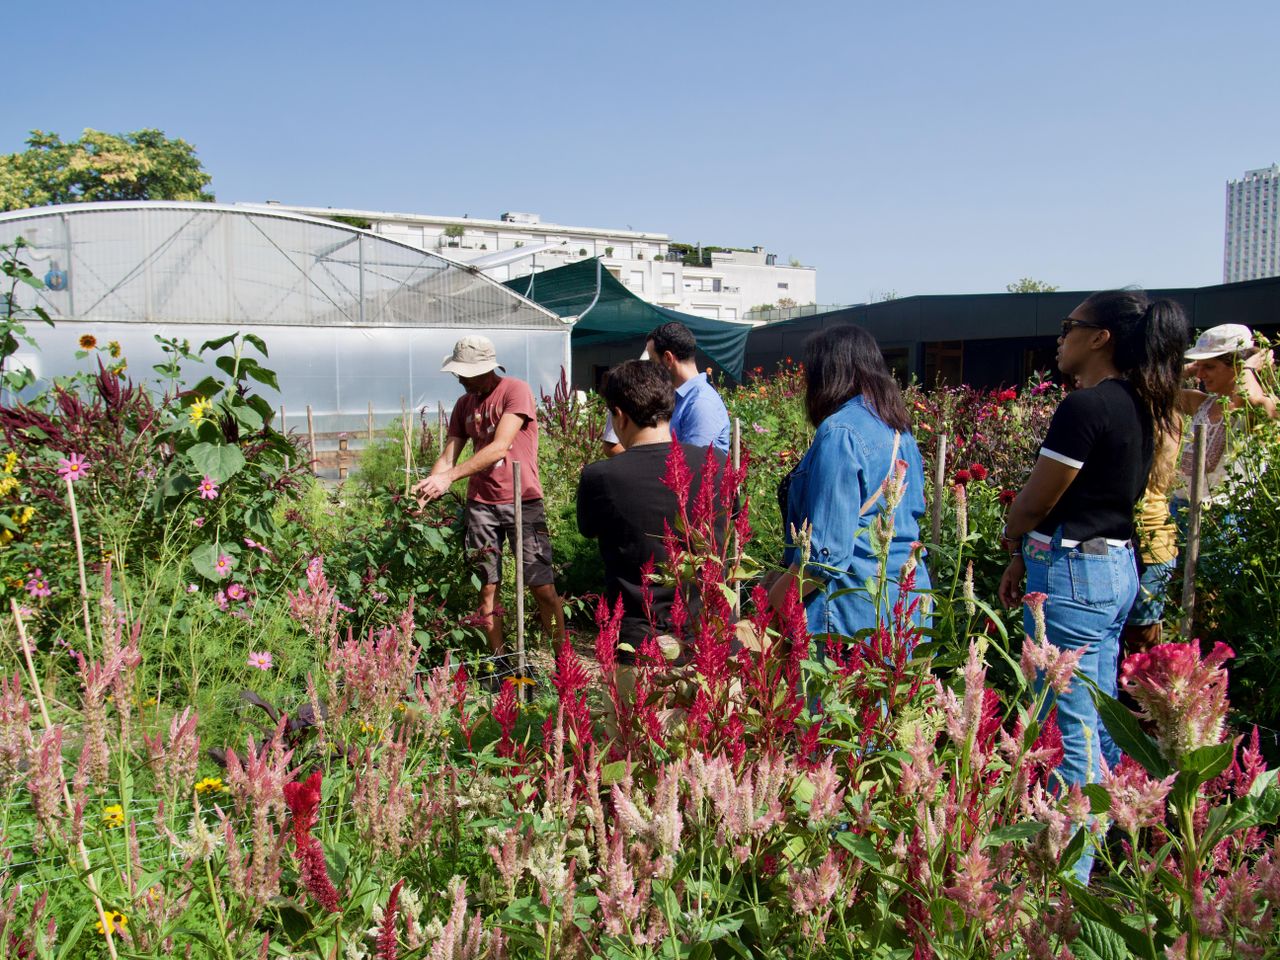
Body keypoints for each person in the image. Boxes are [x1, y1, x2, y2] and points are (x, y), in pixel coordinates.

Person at [997, 289, 1188, 882]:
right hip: (1112, 568)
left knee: (1065, 722)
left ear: (1100, 336)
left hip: (1074, 574)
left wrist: (1013, 535)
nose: (1061, 338)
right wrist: (1027, 556)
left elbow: (1039, 498)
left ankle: (1068, 881)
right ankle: (1103, 854)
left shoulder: (1086, 407)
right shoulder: (1142, 403)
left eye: (1069, 326)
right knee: (1100, 716)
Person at [766, 324, 931, 639]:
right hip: (905, 608)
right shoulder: (899, 429)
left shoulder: (839, 433)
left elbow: (823, 557)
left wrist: (771, 603)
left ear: (828, 376)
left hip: (849, 619)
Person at [415, 336, 566, 659]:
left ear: (482, 369)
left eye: (463, 373)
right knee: (486, 588)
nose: (459, 379)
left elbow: (500, 447)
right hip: (481, 506)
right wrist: (431, 482)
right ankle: (499, 666)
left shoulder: (515, 390)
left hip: (522, 500)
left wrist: (449, 477)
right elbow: (449, 455)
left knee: (541, 586)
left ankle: (562, 663)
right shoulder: (464, 405)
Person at [577, 360, 725, 662]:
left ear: (618, 414)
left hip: (641, 648)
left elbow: (589, 528)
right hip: (711, 644)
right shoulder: (717, 465)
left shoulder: (601, 477)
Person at [1172, 323, 1277, 513]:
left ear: (1237, 366)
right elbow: (1152, 391)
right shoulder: (1201, 402)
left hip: (1225, 513)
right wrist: (1187, 369)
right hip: (1182, 505)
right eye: (1199, 366)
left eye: (1209, 367)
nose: (1200, 374)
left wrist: (1248, 368)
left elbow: (1250, 399)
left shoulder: (1262, 406)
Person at [645, 322, 731, 454]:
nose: (651, 369)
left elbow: (693, 466)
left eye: (652, 361)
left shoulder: (700, 403)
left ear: (668, 358)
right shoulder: (681, 397)